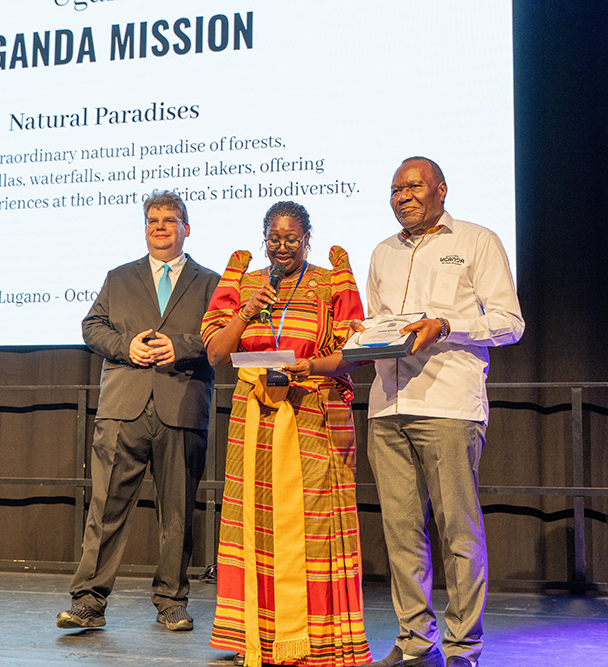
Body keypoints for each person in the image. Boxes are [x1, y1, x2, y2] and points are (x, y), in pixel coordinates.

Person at [362, 157, 524, 667]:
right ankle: (415, 640)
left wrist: (446, 325)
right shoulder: (382, 252)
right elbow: (378, 323)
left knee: (458, 530)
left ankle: (463, 645)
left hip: (449, 404)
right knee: (401, 533)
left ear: (441, 190)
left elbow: (509, 322)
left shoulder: (477, 240)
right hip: (386, 406)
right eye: (395, 189)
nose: (403, 196)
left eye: (413, 187)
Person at [202, 200, 372, 667]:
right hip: (253, 420)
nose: (282, 247)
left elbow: (358, 353)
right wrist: (247, 312)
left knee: (312, 526)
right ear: (264, 240)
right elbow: (217, 353)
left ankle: (316, 640)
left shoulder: (329, 281)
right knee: (258, 525)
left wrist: (310, 366)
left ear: (307, 239)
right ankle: (259, 635)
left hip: (311, 415)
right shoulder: (244, 283)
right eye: (274, 239)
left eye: (291, 239)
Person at [56, 189, 219, 632]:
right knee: (105, 508)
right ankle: (88, 601)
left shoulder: (211, 282)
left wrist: (182, 348)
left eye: (170, 219)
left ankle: (172, 601)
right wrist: (125, 346)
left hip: (181, 406)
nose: (160, 227)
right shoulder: (120, 276)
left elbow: (224, 340)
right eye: (153, 220)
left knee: (178, 514)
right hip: (122, 408)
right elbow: (92, 327)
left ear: (186, 228)